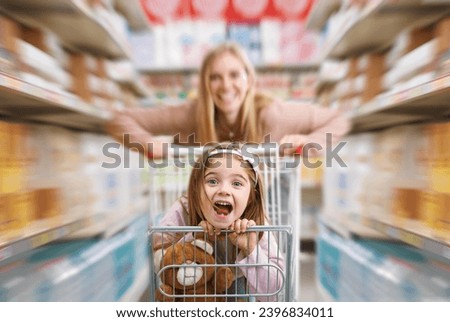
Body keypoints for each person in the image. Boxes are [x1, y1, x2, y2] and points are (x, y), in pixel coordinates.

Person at [105, 42, 350, 159]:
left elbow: (338, 121)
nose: (225, 86)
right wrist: (148, 144)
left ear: (249, 79)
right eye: (215, 77)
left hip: (266, 208)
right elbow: (120, 120)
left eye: (234, 75)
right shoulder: (192, 115)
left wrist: (308, 142)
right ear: (205, 84)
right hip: (211, 210)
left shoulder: (271, 115)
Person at [152, 143, 285, 301]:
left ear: (250, 197)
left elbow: (274, 291)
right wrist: (192, 239)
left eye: (236, 183)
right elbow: (159, 263)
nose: (224, 190)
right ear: (196, 189)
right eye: (212, 181)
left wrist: (251, 250)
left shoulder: (256, 226)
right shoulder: (183, 210)